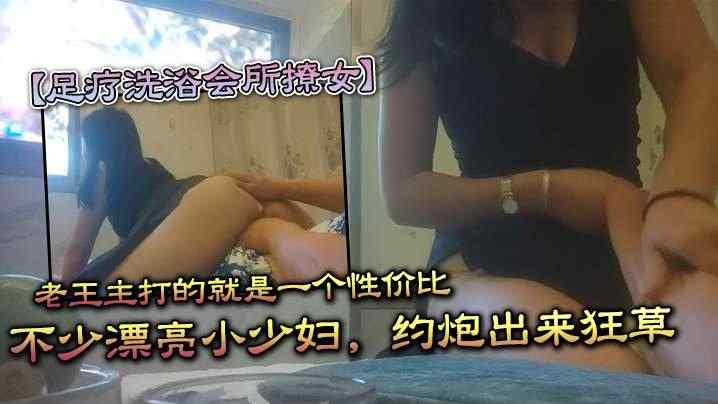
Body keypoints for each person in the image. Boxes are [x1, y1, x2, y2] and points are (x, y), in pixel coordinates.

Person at [378, 0, 718, 382]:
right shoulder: (423, 11)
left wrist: (678, 196)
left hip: (623, 233)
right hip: (482, 260)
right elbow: (403, 191)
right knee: (611, 380)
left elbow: (694, 73)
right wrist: (547, 192)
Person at [62, 107, 347, 284]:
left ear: (95, 147)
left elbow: (78, 249)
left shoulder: (101, 174)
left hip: (201, 204)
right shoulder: (150, 165)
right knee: (269, 229)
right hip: (213, 191)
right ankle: (305, 246)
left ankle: (304, 250)